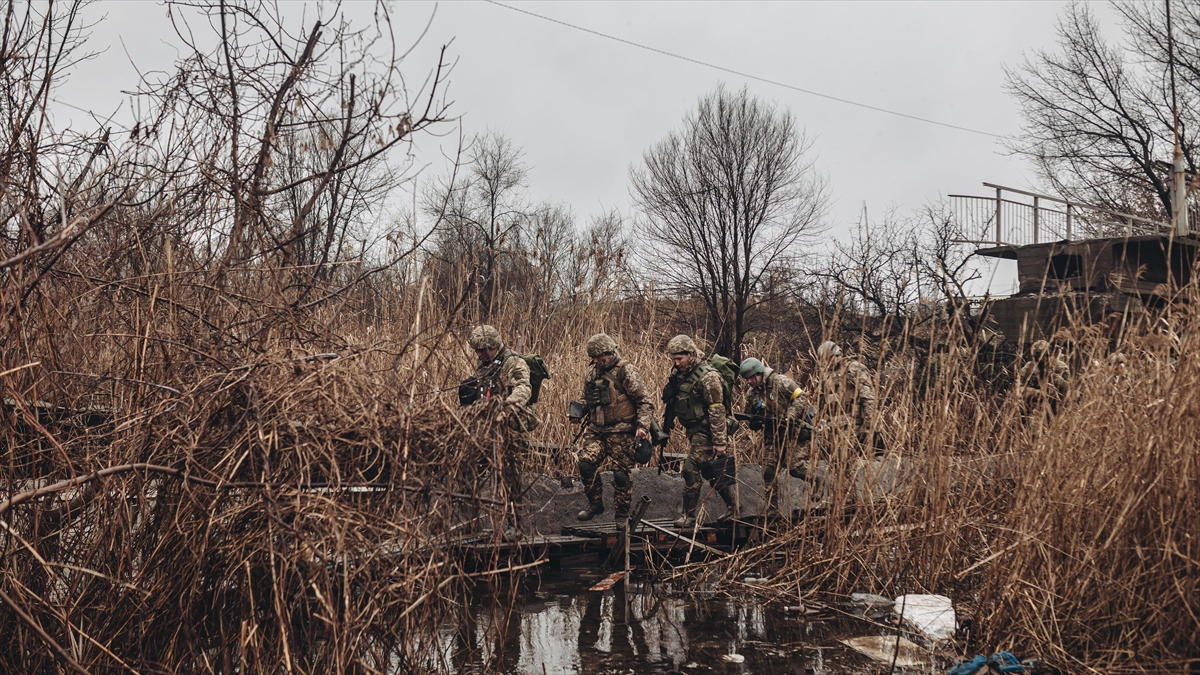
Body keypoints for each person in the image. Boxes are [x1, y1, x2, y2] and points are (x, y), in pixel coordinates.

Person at [463, 325, 540, 538]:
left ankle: (515, 525)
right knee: (470, 467)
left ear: (494, 346)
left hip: (512, 426)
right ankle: (472, 523)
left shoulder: (513, 363)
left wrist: (507, 407)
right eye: (476, 350)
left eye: (482, 350)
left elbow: (524, 388)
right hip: (489, 427)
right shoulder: (485, 364)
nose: (478, 354)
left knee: (509, 477)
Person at [575, 333, 654, 523]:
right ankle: (595, 503)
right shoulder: (592, 372)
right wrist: (578, 410)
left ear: (609, 352)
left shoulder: (626, 371)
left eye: (598, 356)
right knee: (585, 463)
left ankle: (621, 514)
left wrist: (642, 426)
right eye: (593, 357)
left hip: (622, 430)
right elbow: (586, 398)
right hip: (597, 429)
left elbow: (644, 402)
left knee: (621, 474)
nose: (596, 360)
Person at [662, 335, 737, 528]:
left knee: (690, 468)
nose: (677, 363)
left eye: (680, 359)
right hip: (695, 430)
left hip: (708, 430)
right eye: (674, 359)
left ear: (692, 355)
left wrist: (720, 441)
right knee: (710, 470)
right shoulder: (683, 373)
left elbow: (717, 410)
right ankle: (733, 505)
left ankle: (689, 516)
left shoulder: (709, 376)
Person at [738, 357, 810, 513]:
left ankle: (816, 479)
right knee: (768, 470)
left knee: (795, 468)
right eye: (746, 379)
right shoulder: (752, 394)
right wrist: (754, 423)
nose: (749, 381)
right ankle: (772, 507)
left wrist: (790, 417)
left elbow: (801, 397)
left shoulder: (780, 381)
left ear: (759, 373)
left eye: (751, 377)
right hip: (772, 435)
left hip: (792, 433)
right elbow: (748, 415)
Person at [814, 340, 880, 457]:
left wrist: (869, 425)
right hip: (834, 425)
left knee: (844, 458)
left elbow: (868, 396)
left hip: (853, 423)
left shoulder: (853, 367)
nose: (827, 363)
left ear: (837, 355)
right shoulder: (827, 374)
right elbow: (823, 400)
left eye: (829, 359)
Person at [1015, 339, 1069, 435]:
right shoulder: (1028, 368)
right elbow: (1018, 390)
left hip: (1056, 410)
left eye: (1045, 355)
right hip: (1036, 411)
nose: (1043, 358)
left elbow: (1068, 390)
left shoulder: (1060, 367)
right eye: (1039, 356)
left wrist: (1054, 378)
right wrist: (1037, 393)